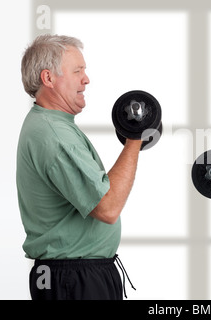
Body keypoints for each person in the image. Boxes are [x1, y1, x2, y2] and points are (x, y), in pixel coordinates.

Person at [17, 34, 142, 300]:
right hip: (74, 277)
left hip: (72, 274)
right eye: (77, 71)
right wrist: (135, 138)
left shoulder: (52, 125)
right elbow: (107, 208)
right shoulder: (54, 135)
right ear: (48, 79)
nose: (86, 79)